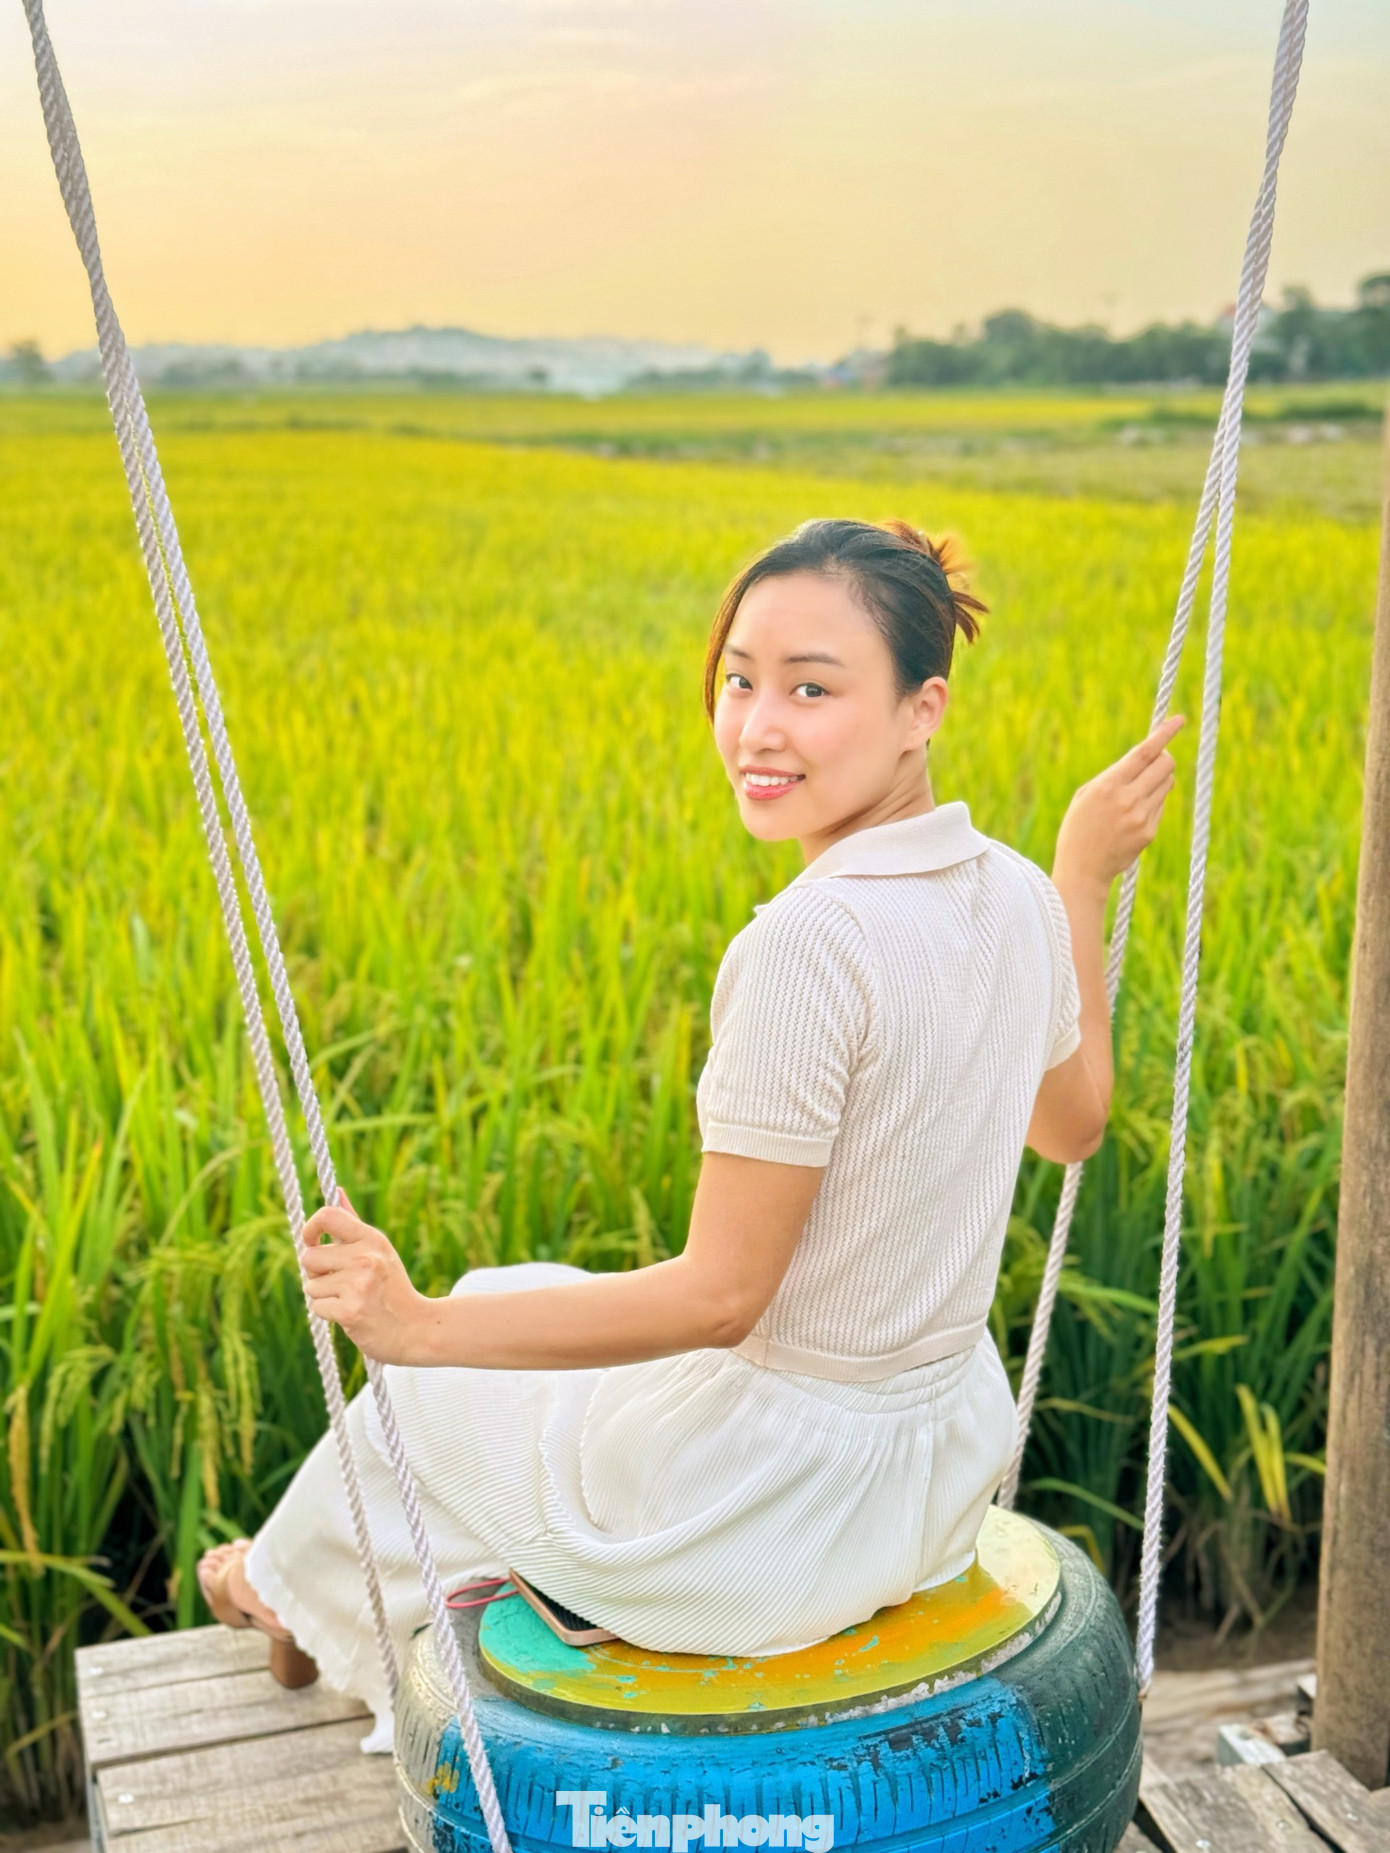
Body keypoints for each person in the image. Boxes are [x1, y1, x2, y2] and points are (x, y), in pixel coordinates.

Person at [198, 516, 1182, 1744]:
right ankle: (291, 1592)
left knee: (431, 1385)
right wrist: (1079, 878)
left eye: (811, 688)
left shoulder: (808, 946)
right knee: (516, 1300)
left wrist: (418, 1326)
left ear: (920, 710)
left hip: (770, 1517)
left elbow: (720, 1297)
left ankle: (271, 1588)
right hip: (934, 1481)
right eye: (738, 680)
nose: (757, 727)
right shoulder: (1018, 892)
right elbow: (1072, 1125)